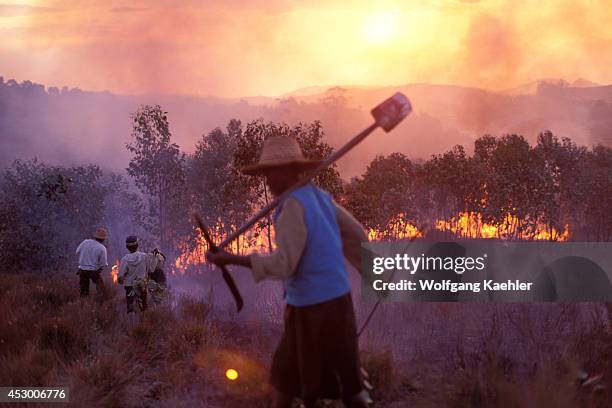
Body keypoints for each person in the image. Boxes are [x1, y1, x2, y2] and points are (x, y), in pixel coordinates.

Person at [207, 136, 371, 408]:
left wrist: (232, 259)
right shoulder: (321, 197)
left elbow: (285, 264)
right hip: (339, 302)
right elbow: (357, 236)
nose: (268, 180)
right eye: (265, 173)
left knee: (284, 378)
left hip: (309, 309)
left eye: (272, 172)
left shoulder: (292, 206)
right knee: (347, 376)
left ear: (289, 170)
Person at [117, 236, 161, 314]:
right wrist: (155, 257)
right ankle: (144, 321)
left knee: (131, 308)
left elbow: (120, 276)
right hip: (141, 286)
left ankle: (131, 320)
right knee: (144, 308)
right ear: (137, 245)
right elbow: (151, 270)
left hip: (129, 287)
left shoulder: (125, 259)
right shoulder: (145, 256)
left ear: (127, 247)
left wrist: (120, 281)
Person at [76, 228, 108, 299]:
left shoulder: (85, 242)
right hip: (93, 271)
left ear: (95, 236)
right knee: (101, 288)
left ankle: (83, 304)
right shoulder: (102, 248)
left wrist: (84, 262)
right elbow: (103, 264)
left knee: (83, 291)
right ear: (103, 239)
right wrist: (96, 272)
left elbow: (77, 252)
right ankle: (100, 302)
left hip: (82, 270)